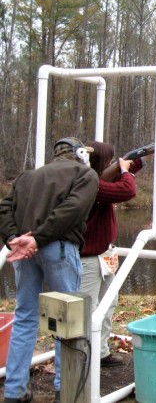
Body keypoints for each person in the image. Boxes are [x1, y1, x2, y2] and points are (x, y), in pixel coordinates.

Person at [0, 137, 99, 403]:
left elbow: (5, 208)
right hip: (58, 248)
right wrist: (37, 239)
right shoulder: (86, 174)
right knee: (69, 321)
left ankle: (14, 391)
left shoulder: (26, 177)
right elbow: (73, 210)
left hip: (25, 251)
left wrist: (15, 238)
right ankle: (64, 390)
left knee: (24, 318)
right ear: (78, 154)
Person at [80, 141, 146, 367]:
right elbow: (126, 189)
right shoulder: (89, 184)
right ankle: (82, 358)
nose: (111, 163)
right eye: (108, 160)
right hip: (87, 258)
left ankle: (100, 352)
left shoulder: (98, 181)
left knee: (108, 304)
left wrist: (134, 161)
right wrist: (126, 170)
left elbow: (119, 180)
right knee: (86, 310)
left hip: (104, 253)